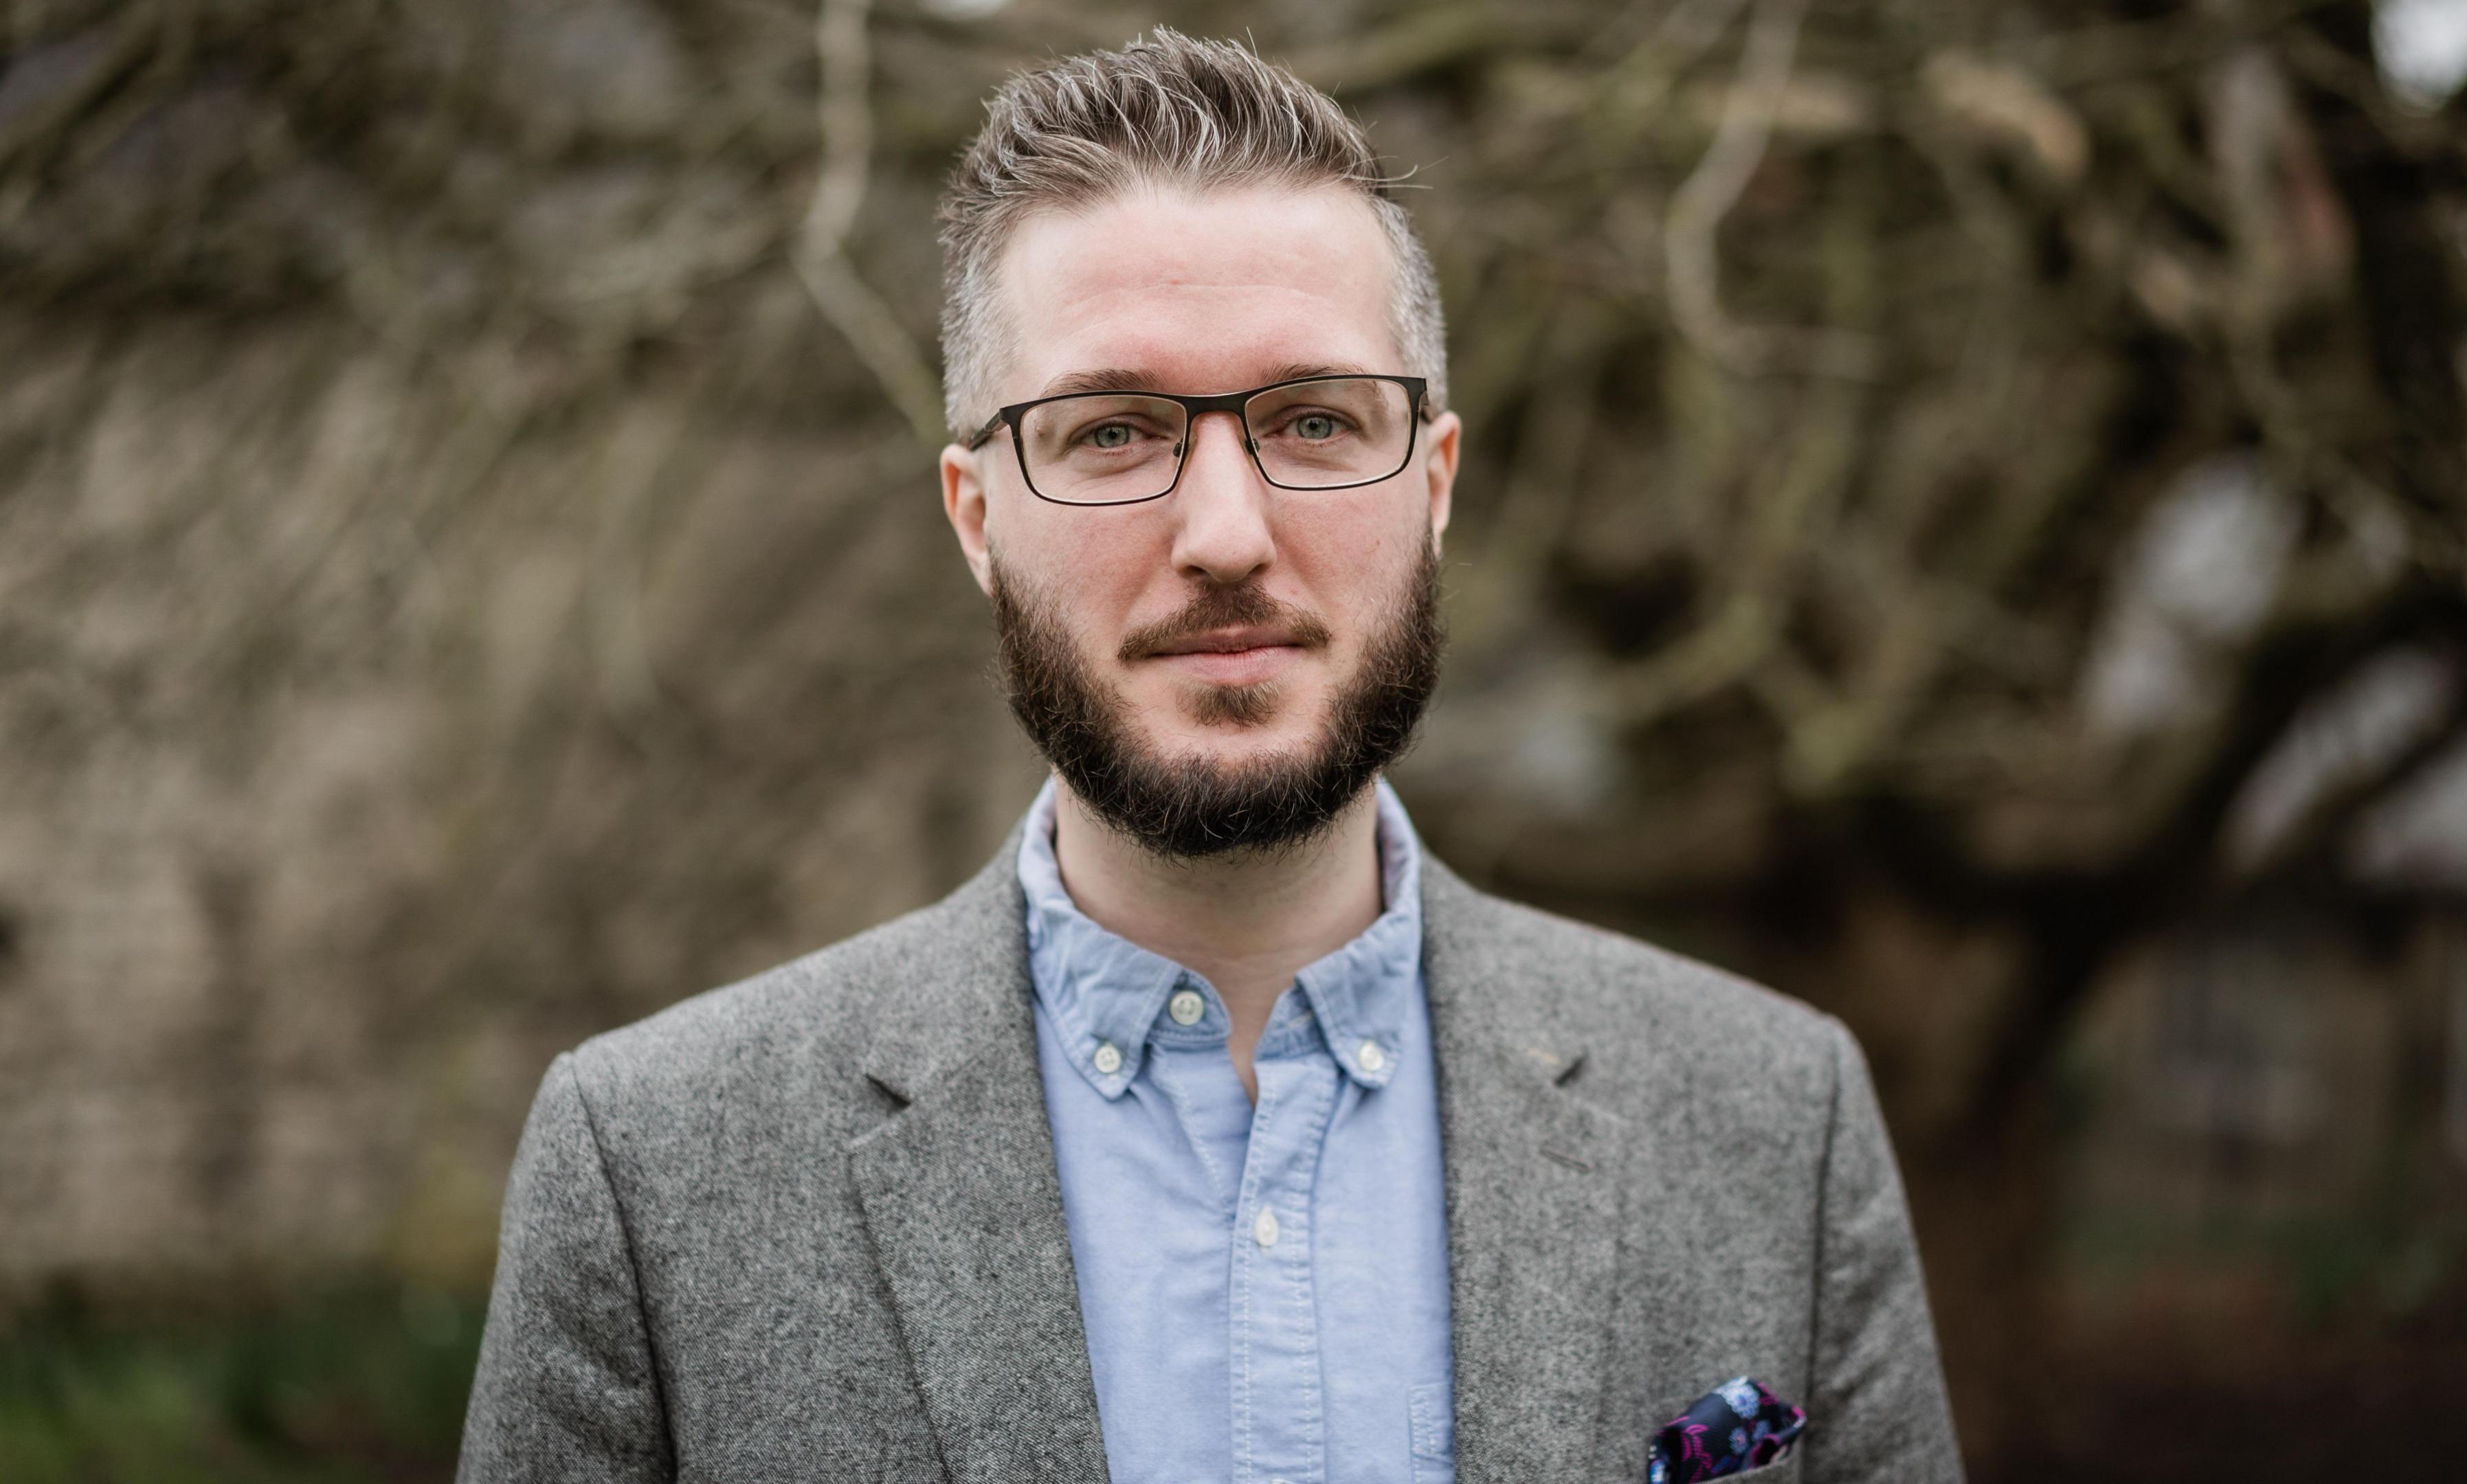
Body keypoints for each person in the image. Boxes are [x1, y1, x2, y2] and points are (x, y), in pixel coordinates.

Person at [458, 29, 1960, 1484]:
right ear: (978, 517)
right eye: (1113, 431)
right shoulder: (651, 1173)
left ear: (1435, 485)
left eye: (1315, 421)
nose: (1228, 537)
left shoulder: (1778, 1124)